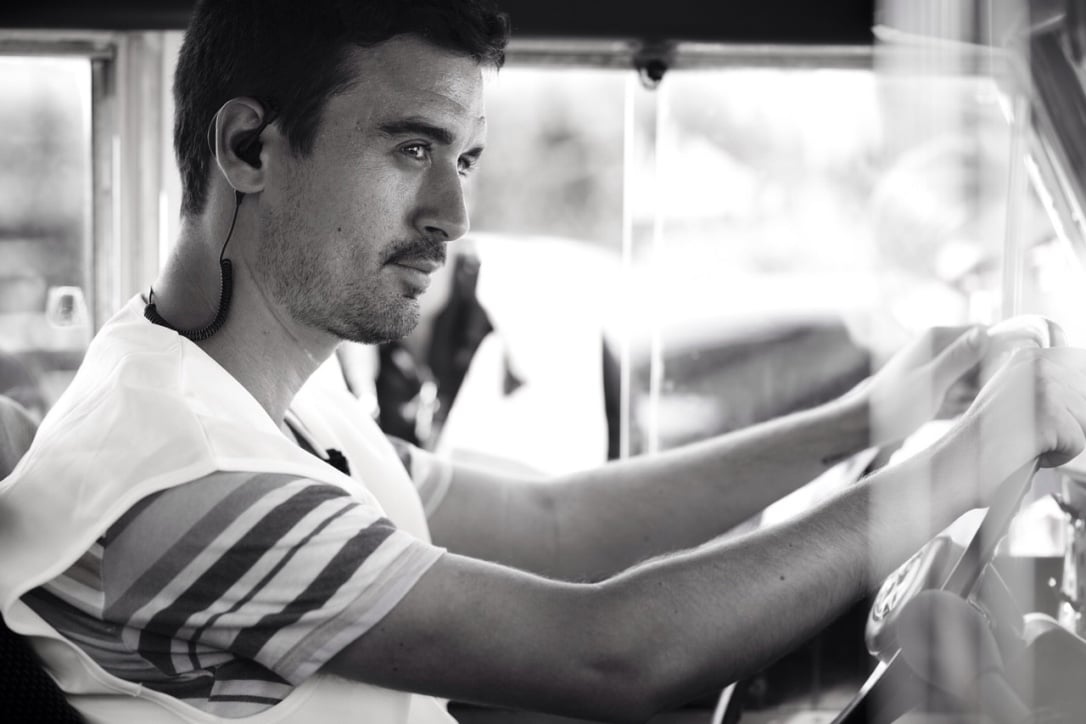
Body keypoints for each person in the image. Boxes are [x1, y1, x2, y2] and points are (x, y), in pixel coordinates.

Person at [3, 1, 1086, 722]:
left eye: (465, 158)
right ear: (248, 147)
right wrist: (970, 456)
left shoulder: (232, 384)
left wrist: (871, 417)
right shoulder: (185, 479)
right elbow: (608, 654)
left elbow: (554, 525)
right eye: (412, 148)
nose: (454, 213)